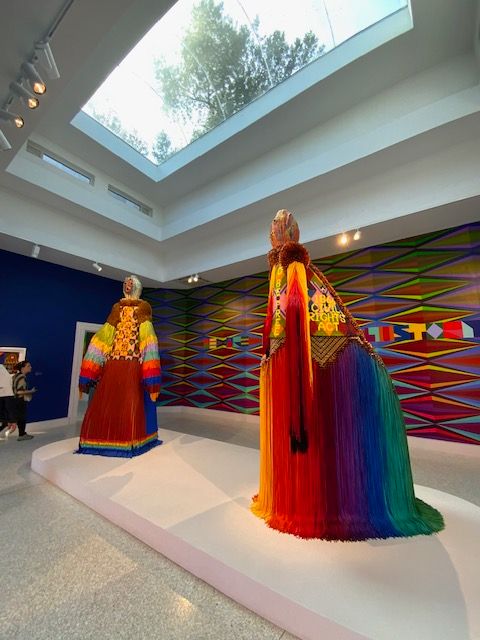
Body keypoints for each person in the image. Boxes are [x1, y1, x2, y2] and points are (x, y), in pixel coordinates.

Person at [251, 210, 444, 540]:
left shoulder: (297, 277)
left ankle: (324, 501)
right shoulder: (286, 278)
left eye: (277, 230)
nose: (275, 233)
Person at [77, 275, 162, 457]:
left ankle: (129, 441)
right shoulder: (117, 307)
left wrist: (150, 373)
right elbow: (105, 335)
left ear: (136, 286)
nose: (127, 285)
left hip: (133, 362)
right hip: (114, 361)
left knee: (131, 403)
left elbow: (147, 338)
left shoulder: (143, 307)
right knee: (109, 402)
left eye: (130, 283)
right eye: (125, 283)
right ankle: (105, 440)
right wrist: (91, 368)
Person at [11, 361, 36, 441]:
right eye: (28, 366)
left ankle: (22, 434)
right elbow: (19, 391)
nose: (30, 367)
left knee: (18, 417)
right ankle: (22, 435)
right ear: (22, 368)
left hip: (14, 400)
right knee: (21, 418)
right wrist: (31, 391)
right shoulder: (22, 377)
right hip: (19, 400)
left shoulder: (15, 376)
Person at [0, 363, 16, 435]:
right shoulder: (2, 368)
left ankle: (9, 423)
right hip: (6, 395)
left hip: (6, 395)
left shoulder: (1, 368)